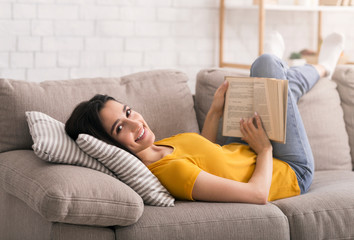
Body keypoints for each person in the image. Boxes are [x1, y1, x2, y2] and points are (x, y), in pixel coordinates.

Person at [65, 32, 344, 204]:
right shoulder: (168, 172)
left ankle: (284, 70)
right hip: (287, 171)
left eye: (128, 112)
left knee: (273, 85)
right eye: (120, 128)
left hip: (245, 148)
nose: (135, 123)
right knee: (266, 66)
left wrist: (215, 111)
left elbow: (205, 151)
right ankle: (321, 67)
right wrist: (266, 149)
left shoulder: (160, 144)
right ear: (110, 144)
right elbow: (257, 195)